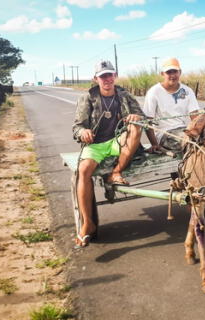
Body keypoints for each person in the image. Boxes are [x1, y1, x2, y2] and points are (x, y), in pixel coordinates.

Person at [72, 60, 144, 247]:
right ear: (96, 79)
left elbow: (142, 116)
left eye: (110, 75)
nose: (107, 79)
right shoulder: (87, 98)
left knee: (136, 127)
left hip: (118, 140)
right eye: (103, 76)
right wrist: (83, 132)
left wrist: (136, 117)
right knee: (84, 170)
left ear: (115, 76)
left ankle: (116, 171)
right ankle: (88, 223)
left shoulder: (124, 95)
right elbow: (77, 127)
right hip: (96, 144)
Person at [143, 57, 200, 155]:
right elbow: (147, 122)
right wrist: (154, 144)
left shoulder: (187, 91)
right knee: (188, 142)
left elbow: (195, 117)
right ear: (162, 74)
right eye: (169, 72)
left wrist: (199, 132)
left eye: (175, 72)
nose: (172, 75)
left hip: (184, 130)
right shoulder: (154, 92)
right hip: (165, 134)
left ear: (180, 72)